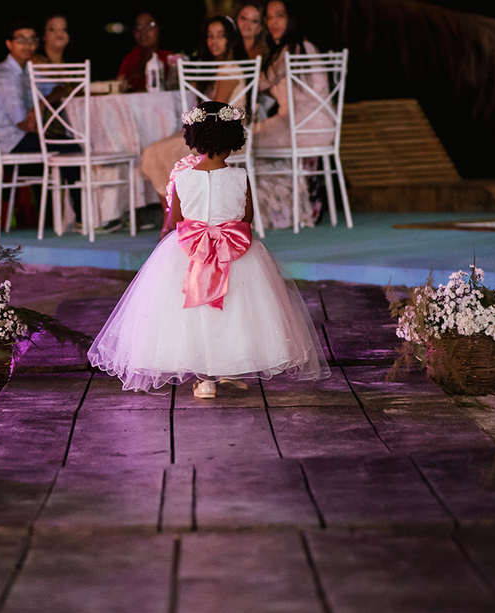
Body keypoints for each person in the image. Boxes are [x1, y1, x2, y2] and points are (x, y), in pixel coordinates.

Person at [89, 101, 328, 396]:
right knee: (234, 311)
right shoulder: (239, 176)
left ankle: (205, 379)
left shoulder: (183, 177)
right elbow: (247, 217)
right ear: (233, 140)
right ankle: (228, 369)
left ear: (195, 139)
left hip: (190, 251)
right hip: (234, 251)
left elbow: (175, 220)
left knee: (194, 314)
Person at [0, 20, 83, 224]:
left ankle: (81, 216)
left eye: (32, 40)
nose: (27, 45)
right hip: (11, 141)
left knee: (70, 145)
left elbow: (61, 87)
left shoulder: (26, 71)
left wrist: (41, 103)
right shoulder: (5, 74)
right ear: (9, 44)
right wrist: (36, 115)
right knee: (72, 149)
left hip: (24, 136)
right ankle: (83, 216)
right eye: (21, 40)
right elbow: (23, 122)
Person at [140, 15, 247, 198]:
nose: (214, 41)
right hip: (211, 133)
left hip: (222, 137)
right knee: (156, 150)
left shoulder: (230, 69)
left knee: (156, 152)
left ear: (231, 39)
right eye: (210, 36)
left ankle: (175, 211)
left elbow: (215, 110)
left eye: (220, 35)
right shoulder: (216, 69)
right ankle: (175, 209)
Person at [250, 0, 329, 228]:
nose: (273, 22)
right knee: (256, 135)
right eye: (269, 17)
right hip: (323, 126)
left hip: (298, 128)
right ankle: (284, 207)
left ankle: (273, 210)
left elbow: (259, 82)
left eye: (280, 16)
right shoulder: (307, 47)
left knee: (245, 142)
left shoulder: (289, 50)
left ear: (292, 18)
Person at [117, 11, 176, 92]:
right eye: (138, 27)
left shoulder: (171, 58)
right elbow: (119, 84)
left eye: (149, 26)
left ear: (159, 28)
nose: (143, 32)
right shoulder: (129, 59)